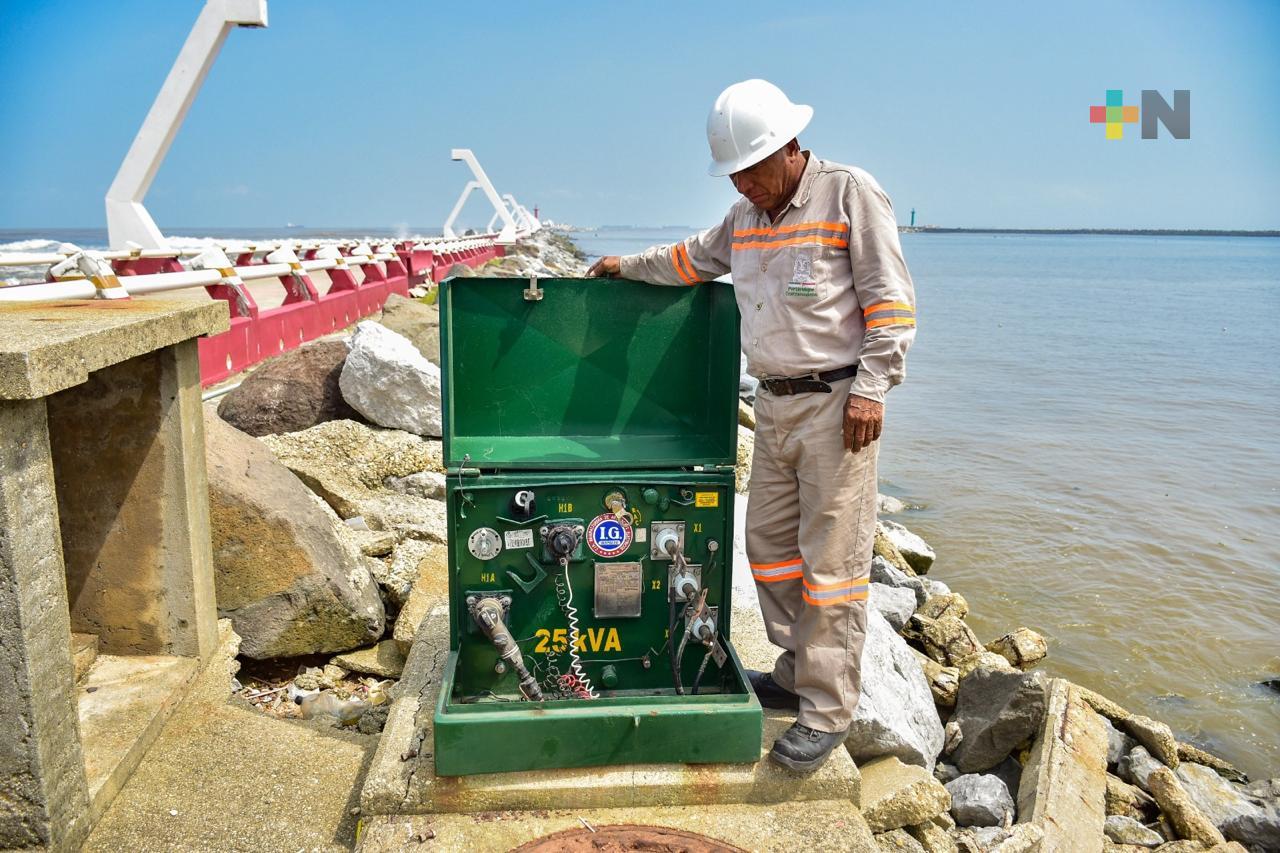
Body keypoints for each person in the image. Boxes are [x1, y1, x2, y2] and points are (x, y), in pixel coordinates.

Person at [586, 79, 917, 772]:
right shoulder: (744, 218)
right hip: (772, 405)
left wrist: (873, 388)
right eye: (734, 174)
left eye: (753, 170)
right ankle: (795, 668)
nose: (744, 184)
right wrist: (622, 266)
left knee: (833, 565)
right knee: (768, 547)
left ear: (790, 147)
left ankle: (826, 710)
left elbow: (890, 299)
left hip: (837, 407)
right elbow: (687, 259)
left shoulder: (848, 193)